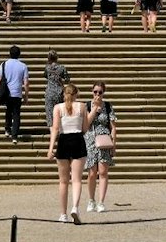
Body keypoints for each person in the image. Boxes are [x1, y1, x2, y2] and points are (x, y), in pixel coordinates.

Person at [47, 82, 88, 223]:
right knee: (76, 179)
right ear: (76, 94)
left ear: (64, 95)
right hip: (77, 140)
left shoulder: (58, 108)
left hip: (64, 141)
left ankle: (63, 214)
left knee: (63, 182)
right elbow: (85, 128)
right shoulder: (82, 106)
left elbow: (55, 129)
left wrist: (51, 148)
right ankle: (75, 207)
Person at [83, 82, 115, 213]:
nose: (97, 94)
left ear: (103, 93)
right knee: (91, 174)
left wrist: (114, 145)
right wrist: (95, 108)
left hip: (104, 141)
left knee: (103, 172)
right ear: (92, 92)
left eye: (100, 92)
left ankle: (101, 202)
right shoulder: (86, 105)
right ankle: (91, 200)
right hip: (90, 141)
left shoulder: (108, 106)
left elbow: (113, 127)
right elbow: (86, 123)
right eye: (95, 92)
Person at [0, 45, 28, 142]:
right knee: (16, 114)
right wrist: (26, 95)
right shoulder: (23, 66)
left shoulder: (3, 64)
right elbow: (26, 83)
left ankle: (7, 129)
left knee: (8, 111)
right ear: (19, 54)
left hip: (7, 93)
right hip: (17, 93)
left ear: (10, 54)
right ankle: (14, 136)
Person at [41, 50, 69, 132]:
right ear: (57, 57)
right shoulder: (62, 68)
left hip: (49, 92)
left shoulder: (47, 68)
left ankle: (53, 134)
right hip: (59, 92)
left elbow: (45, 76)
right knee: (60, 113)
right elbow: (67, 79)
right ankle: (60, 132)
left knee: (50, 114)